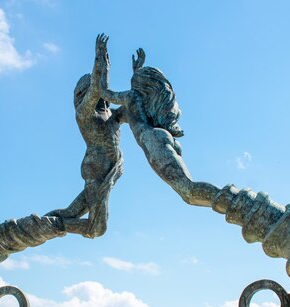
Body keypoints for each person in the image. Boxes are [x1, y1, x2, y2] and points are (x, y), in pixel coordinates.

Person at [99, 47, 220, 207]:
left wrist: (103, 67)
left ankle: (239, 204)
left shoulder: (131, 97)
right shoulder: (136, 106)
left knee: (189, 191)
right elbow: (116, 115)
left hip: (152, 140)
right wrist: (137, 70)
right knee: (189, 194)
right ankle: (234, 203)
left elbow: (105, 93)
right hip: (162, 138)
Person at [46, 34, 127, 238]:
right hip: (95, 170)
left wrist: (137, 75)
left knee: (69, 213)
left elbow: (131, 106)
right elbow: (96, 90)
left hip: (107, 172)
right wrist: (99, 62)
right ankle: (49, 226)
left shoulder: (111, 114)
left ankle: (43, 224)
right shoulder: (84, 114)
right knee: (97, 228)